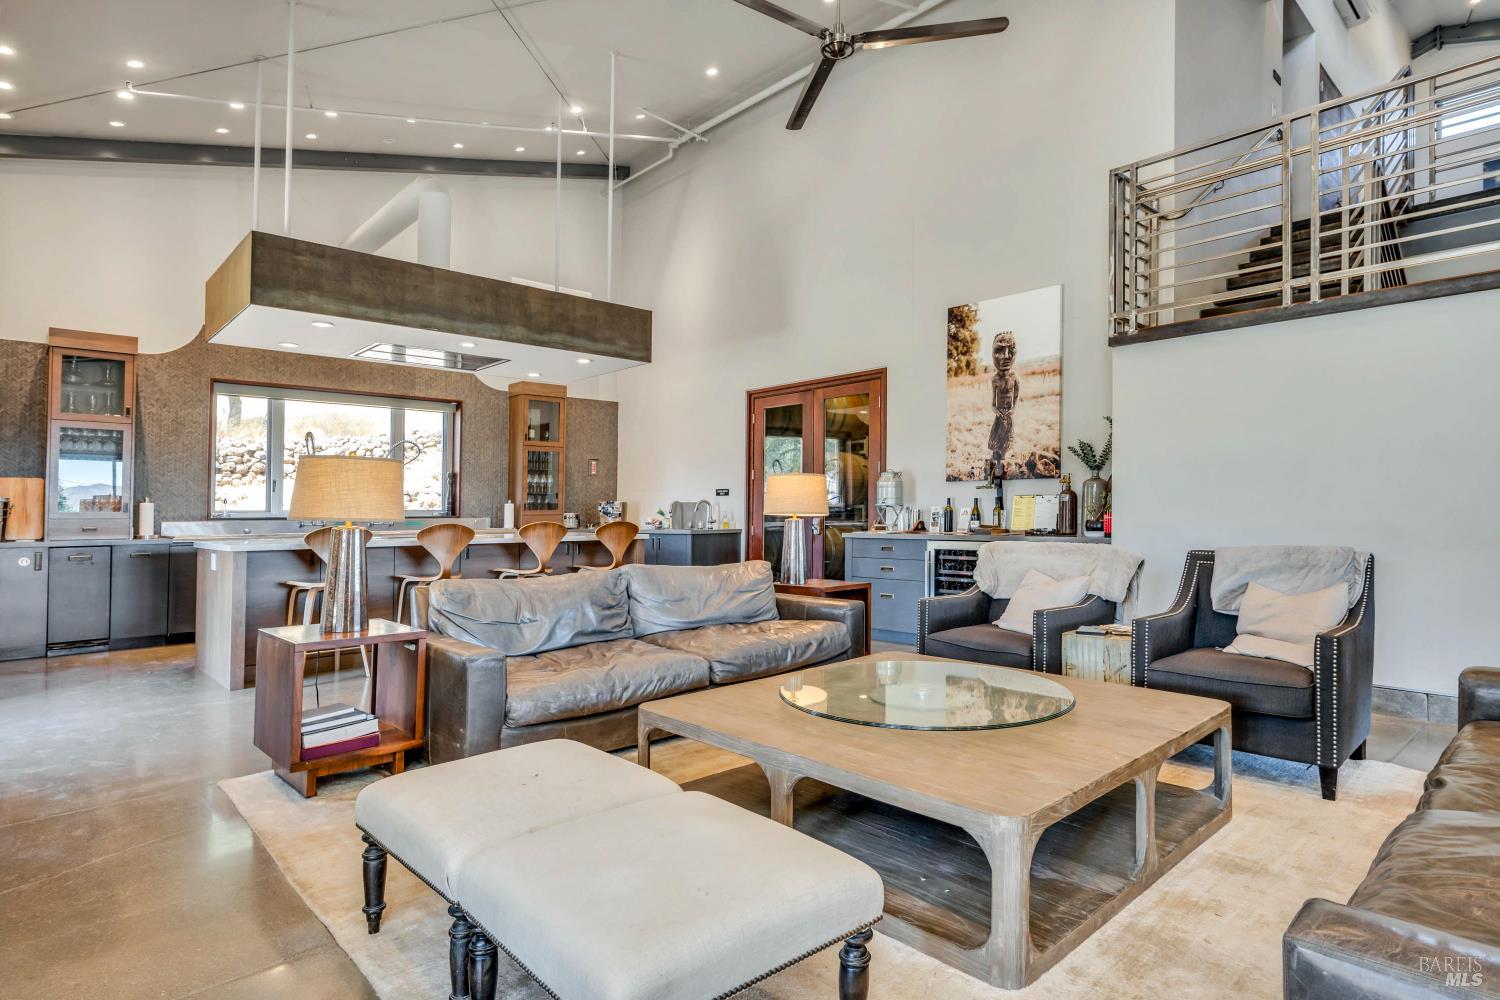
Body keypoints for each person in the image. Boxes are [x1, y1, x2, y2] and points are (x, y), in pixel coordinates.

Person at [987, 330, 1020, 476]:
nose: (1006, 356)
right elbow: (992, 403)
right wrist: (998, 412)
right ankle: (996, 461)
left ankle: (1003, 464)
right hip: (999, 415)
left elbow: (1016, 398)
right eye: (1000, 350)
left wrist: (1012, 410)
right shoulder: (994, 380)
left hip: (1008, 414)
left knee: (1007, 439)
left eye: (1011, 350)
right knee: (996, 439)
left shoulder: (1015, 378)